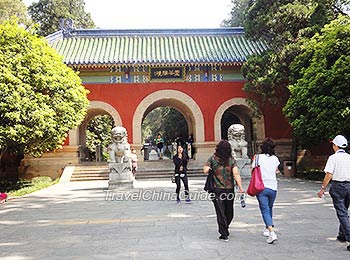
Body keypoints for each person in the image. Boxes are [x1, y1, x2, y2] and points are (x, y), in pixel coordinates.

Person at [203, 140, 244, 241]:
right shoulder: (231, 160)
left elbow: (205, 170)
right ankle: (225, 228)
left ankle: (224, 232)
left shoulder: (213, 159)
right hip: (229, 190)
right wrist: (240, 187)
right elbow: (236, 174)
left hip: (216, 190)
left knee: (220, 212)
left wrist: (210, 168)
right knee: (229, 211)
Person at [317, 135, 350, 252]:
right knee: (344, 211)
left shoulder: (333, 158)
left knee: (342, 213)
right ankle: (342, 234)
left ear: (336, 146)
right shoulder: (349, 157)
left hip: (338, 186)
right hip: (349, 186)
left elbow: (329, 174)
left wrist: (322, 188)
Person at [252, 138, 280, 244]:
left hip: (261, 187)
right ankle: (267, 229)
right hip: (273, 187)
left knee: (264, 210)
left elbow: (253, 169)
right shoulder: (275, 159)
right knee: (269, 208)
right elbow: (276, 171)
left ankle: (272, 233)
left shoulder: (258, 157)